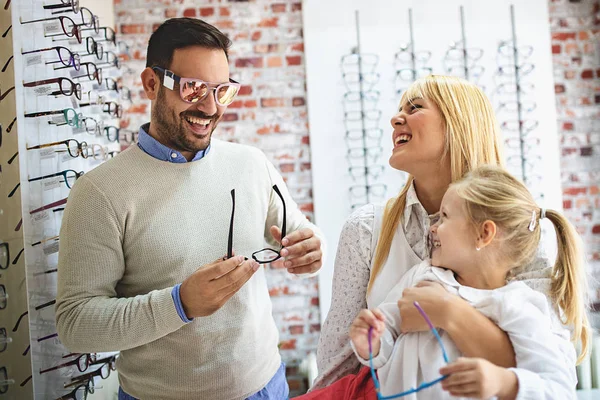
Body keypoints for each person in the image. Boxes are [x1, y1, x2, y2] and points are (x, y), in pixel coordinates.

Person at [55, 18, 324, 400]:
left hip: (268, 387)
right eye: (194, 88)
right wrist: (179, 304)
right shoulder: (99, 193)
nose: (211, 107)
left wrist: (313, 250)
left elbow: (301, 232)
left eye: (222, 91)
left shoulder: (252, 163)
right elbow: (75, 323)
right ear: (151, 83)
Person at [311, 75, 577, 396]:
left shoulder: (519, 229)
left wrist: (450, 313)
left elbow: (553, 375)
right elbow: (338, 368)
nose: (396, 119)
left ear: (459, 126)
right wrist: (372, 341)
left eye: (416, 107)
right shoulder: (366, 230)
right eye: (399, 110)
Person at [350, 165, 588, 399]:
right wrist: (372, 344)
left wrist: (503, 382)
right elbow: (388, 326)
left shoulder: (518, 307)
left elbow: (559, 389)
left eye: (444, 217)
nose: (433, 228)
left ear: (484, 234)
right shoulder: (423, 276)